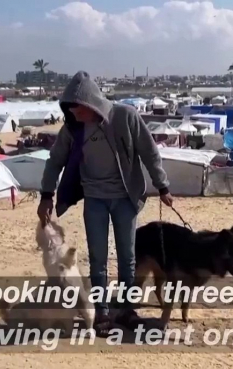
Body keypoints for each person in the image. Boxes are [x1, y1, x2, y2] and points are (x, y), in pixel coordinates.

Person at [38, 71, 173, 334]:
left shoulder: (126, 116)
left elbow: (149, 151)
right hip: (95, 199)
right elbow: (55, 160)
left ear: (90, 104)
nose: (73, 115)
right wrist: (46, 194)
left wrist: (163, 185)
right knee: (97, 258)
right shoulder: (74, 128)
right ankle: (101, 311)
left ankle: (125, 310)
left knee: (128, 258)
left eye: (77, 110)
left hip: (126, 197)